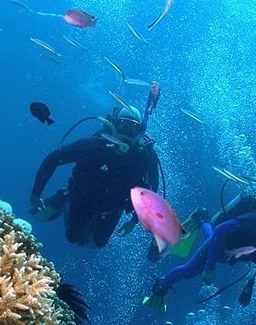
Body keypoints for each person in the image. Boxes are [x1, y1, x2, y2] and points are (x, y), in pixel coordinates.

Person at [143, 178, 256, 310]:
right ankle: (162, 285)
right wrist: (210, 267)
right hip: (222, 246)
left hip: (245, 253)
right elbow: (222, 230)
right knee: (189, 270)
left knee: (208, 246)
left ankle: (202, 219)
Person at [29, 104, 161, 248]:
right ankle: (64, 196)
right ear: (113, 125)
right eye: (122, 125)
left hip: (112, 208)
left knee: (96, 245)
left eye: (134, 128)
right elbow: (53, 159)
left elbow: (152, 191)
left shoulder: (145, 157)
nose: (126, 133)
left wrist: (134, 221)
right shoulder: (92, 146)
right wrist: (36, 194)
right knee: (72, 237)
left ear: (140, 132)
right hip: (81, 196)